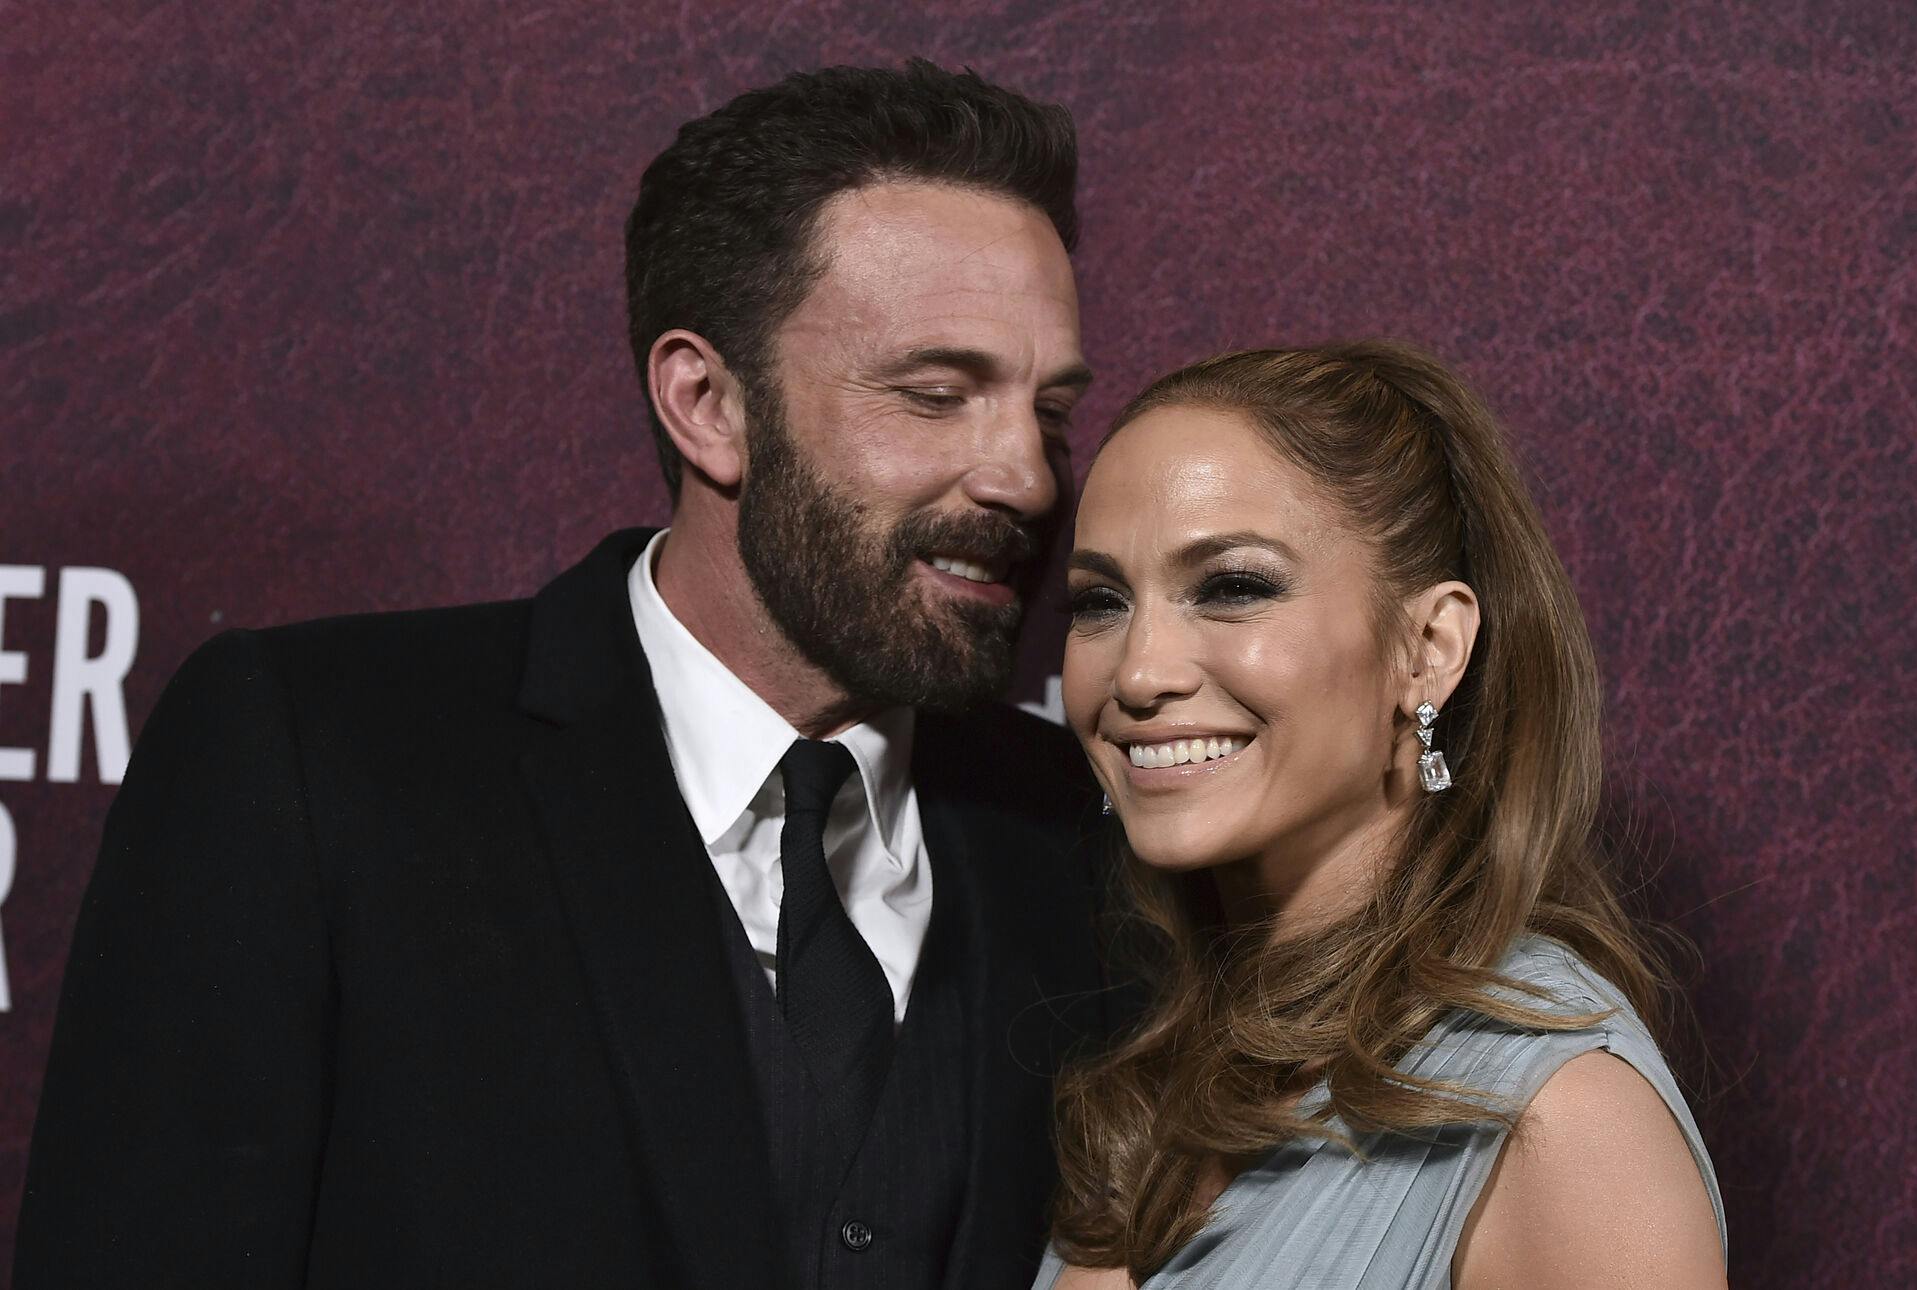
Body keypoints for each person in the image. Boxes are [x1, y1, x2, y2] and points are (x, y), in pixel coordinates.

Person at [15, 61, 1120, 1289]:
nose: (1026, 477)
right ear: (705, 404)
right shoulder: (319, 758)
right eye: (935, 395)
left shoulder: (1074, 825)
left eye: (1052, 415)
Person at [1034, 343, 1728, 1289]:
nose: (1141, 671)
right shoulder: (1170, 1082)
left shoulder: (1562, 1123)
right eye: (1101, 601)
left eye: (1234, 587)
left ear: (1428, 647)